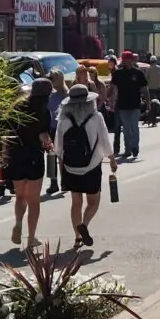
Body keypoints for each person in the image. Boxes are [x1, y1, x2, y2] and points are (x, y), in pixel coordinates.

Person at [57, 84, 112, 246]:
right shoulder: (96, 117)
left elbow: (59, 147)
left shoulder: (63, 120)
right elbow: (105, 141)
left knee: (76, 202)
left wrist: (62, 168)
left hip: (71, 167)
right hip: (92, 166)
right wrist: (113, 160)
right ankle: (84, 225)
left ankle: (77, 237)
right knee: (93, 201)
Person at [1, 84, 53, 252]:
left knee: (20, 196)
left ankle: (17, 223)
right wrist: (48, 143)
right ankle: (31, 238)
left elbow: (7, 133)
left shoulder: (17, 107)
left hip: (16, 156)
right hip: (34, 157)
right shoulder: (43, 111)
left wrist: (4, 156)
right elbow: (43, 135)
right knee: (34, 200)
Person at [111, 51, 150, 162]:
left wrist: (148, 103)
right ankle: (127, 149)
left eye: (126, 59)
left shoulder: (138, 73)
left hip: (135, 105)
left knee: (134, 127)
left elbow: (144, 89)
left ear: (131, 60)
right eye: (123, 59)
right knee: (126, 129)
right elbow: (113, 88)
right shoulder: (118, 73)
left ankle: (134, 147)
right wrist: (109, 100)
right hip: (122, 105)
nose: (124, 61)